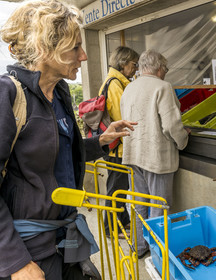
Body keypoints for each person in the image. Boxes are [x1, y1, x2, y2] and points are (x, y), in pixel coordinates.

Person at [0, 1, 136, 279]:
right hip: (30, 253)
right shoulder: (8, 95)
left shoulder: (60, 94)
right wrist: (15, 262)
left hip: (65, 239)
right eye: (75, 47)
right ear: (44, 48)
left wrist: (100, 142)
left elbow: (58, 155)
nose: (84, 56)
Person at [120, 49, 190, 258]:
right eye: (165, 69)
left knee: (139, 205)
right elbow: (171, 125)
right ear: (159, 68)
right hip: (157, 158)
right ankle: (157, 253)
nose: (166, 72)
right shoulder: (163, 87)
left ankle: (139, 247)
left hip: (133, 155)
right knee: (158, 208)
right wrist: (183, 140)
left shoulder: (129, 88)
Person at [100, 46, 139, 239]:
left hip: (116, 147)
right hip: (117, 149)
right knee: (116, 189)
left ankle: (122, 221)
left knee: (120, 187)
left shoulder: (115, 81)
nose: (135, 68)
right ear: (123, 63)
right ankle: (111, 229)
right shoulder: (115, 84)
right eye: (134, 64)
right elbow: (121, 117)